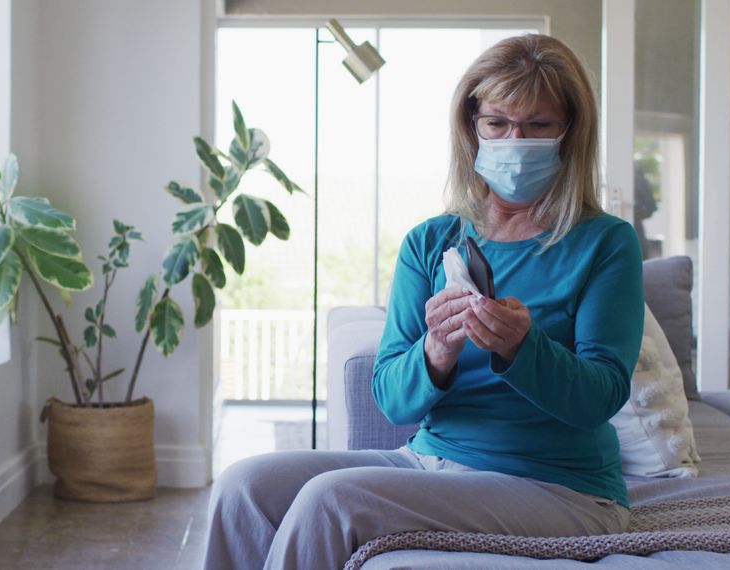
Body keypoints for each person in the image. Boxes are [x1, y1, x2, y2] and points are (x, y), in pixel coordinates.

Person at [203, 33, 644, 569]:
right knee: (243, 486)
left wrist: (523, 350)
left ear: (570, 132)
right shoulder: (432, 241)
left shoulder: (604, 241)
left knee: (331, 501)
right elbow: (393, 399)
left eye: (539, 126)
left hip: (560, 487)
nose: (515, 140)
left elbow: (601, 396)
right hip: (430, 461)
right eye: (498, 123)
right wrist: (436, 349)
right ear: (472, 126)